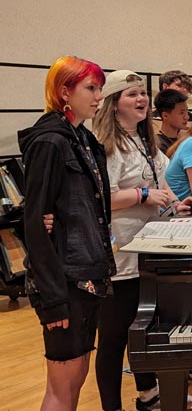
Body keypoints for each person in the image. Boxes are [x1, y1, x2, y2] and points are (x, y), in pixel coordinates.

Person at [92, 70, 192, 411]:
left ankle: (149, 393)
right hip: (120, 255)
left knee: (144, 329)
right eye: (131, 94)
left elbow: (162, 182)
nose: (141, 99)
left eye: (142, 93)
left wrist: (173, 202)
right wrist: (141, 195)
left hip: (150, 250)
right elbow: (99, 198)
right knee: (114, 337)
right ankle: (112, 406)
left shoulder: (144, 140)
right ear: (113, 103)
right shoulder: (107, 145)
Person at [18, 56, 115, 411]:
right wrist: (54, 296)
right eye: (90, 88)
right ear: (64, 92)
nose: (99, 96)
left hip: (88, 275)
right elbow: (33, 222)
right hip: (65, 282)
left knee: (75, 378)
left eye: (100, 88)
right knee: (60, 388)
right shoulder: (51, 142)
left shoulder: (82, 139)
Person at [153, 89, 189, 153]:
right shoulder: (159, 145)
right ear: (165, 116)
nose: (187, 117)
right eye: (181, 112)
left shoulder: (184, 140)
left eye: (187, 111)